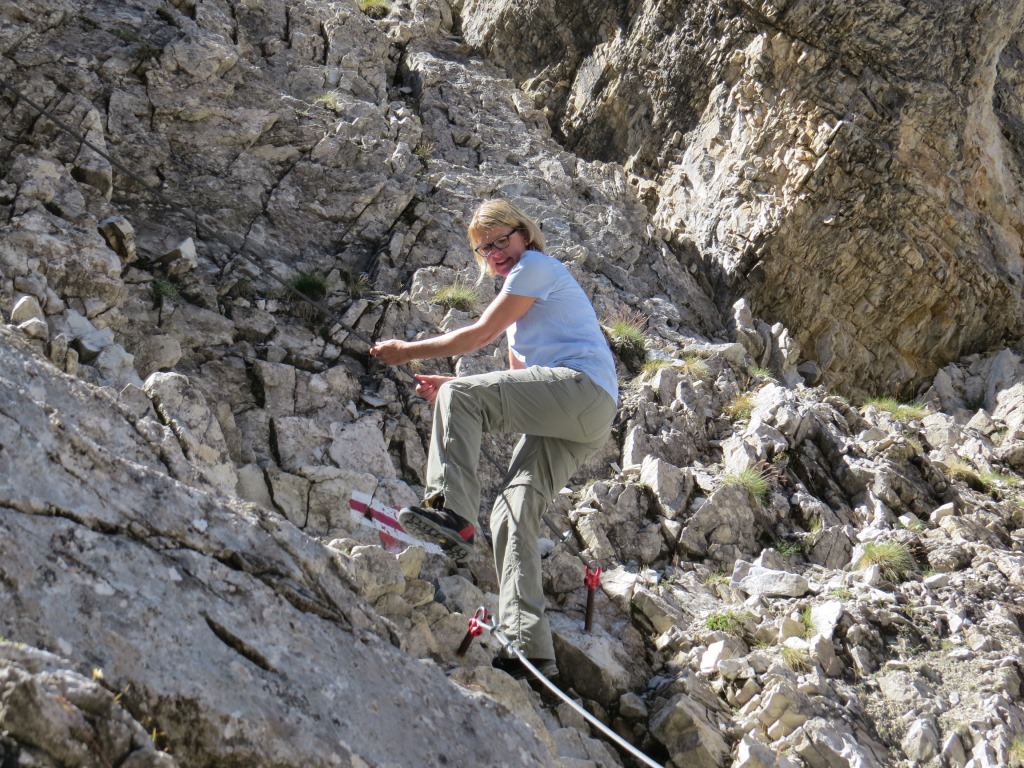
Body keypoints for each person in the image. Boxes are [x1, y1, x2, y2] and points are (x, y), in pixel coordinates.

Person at [369, 199, 618, 679]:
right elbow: (516, 386)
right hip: (583, 413)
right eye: (485, 248)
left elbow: (480, 333)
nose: (496, 253)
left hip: (581, 389)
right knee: (511, 513)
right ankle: (531, 650)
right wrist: (452, 391)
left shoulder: (536, 266)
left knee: (462, 401)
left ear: (523, 235)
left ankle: (452, 512)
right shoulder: (522, 306)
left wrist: (406, 353)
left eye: (502, 240)